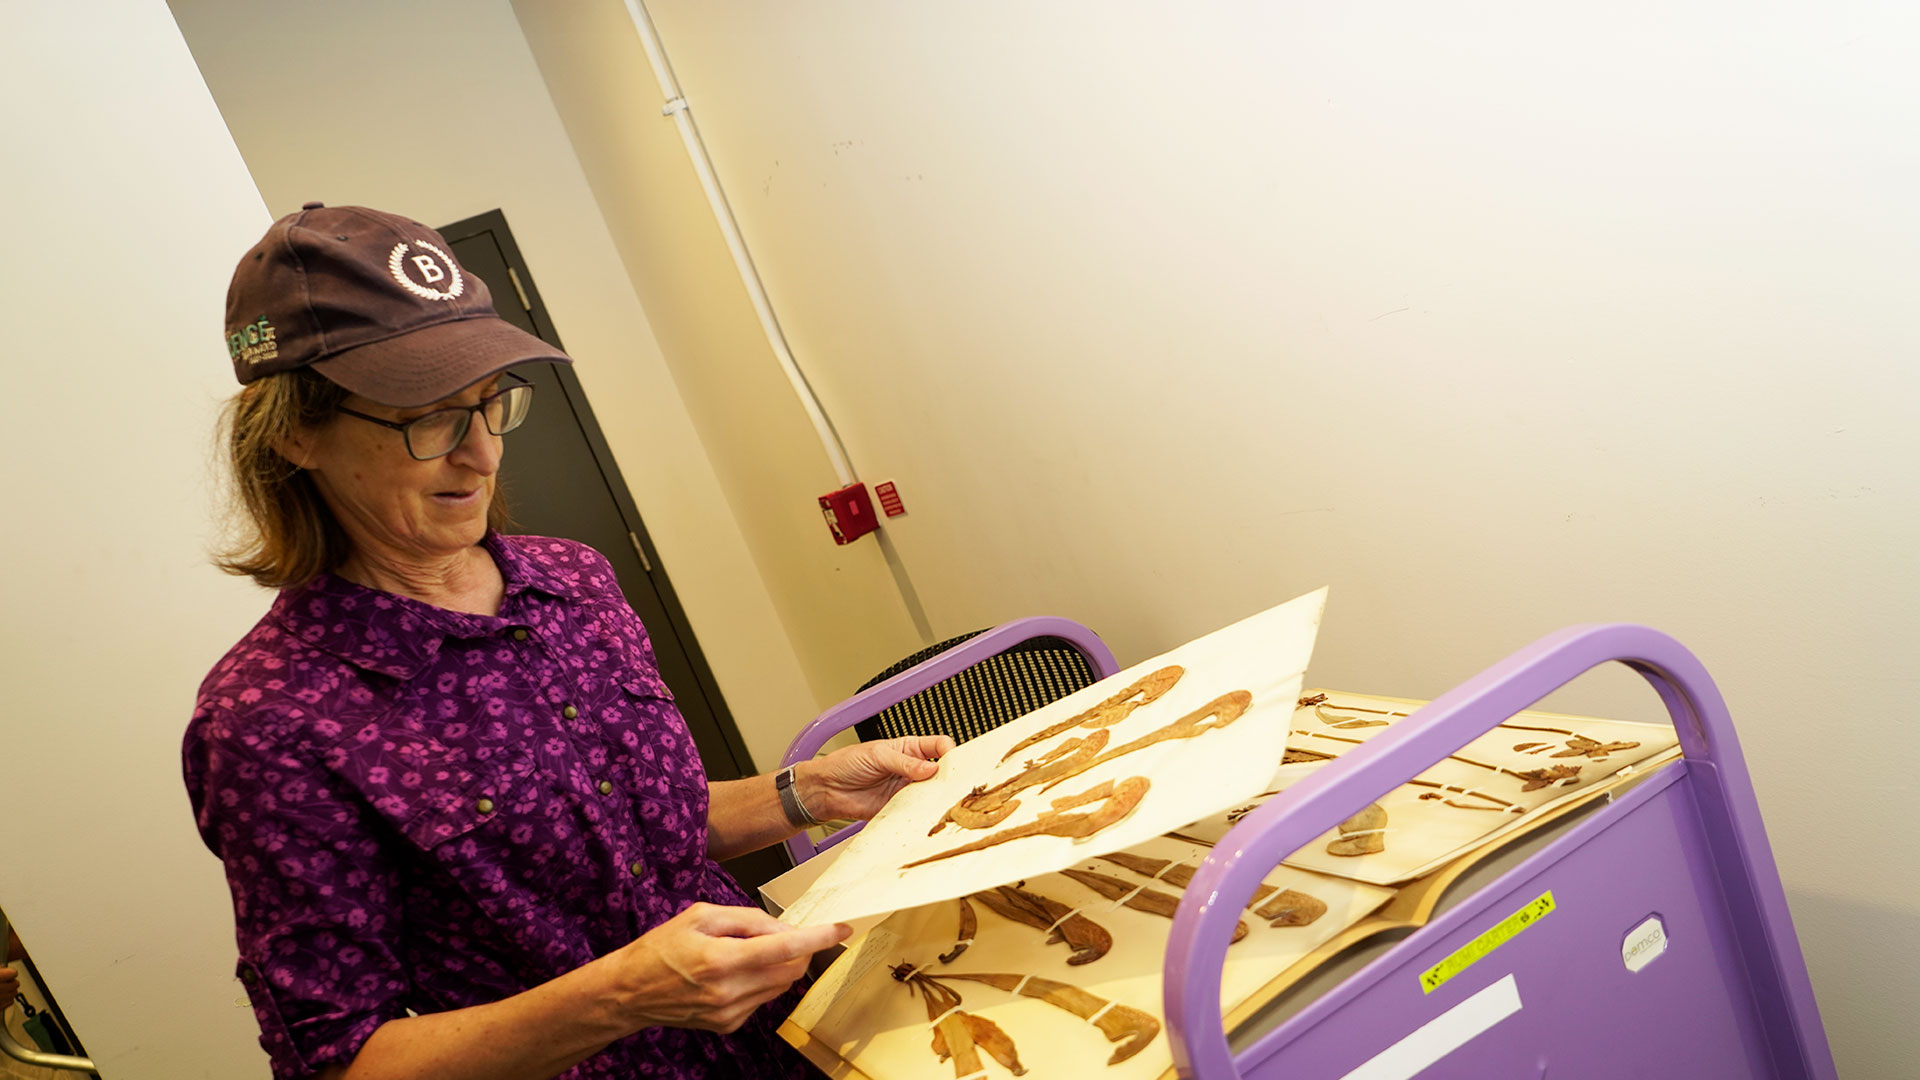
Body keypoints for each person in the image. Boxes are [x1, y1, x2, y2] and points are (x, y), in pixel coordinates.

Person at [183, 204, 952, 1080]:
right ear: (294, 433)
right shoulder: (270, 721)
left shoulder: (571, 581)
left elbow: (639, 834)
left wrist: (805, 792)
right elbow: (337, 1059)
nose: (479, 456)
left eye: (490, 406)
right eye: (427, 420)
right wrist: (620, 995)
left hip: (785, 1031)